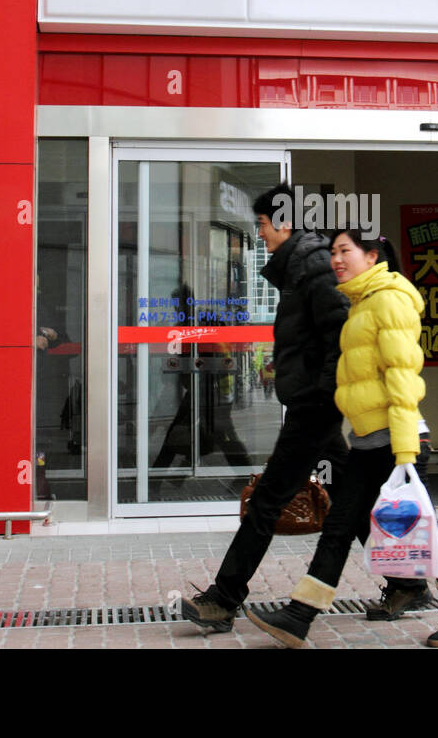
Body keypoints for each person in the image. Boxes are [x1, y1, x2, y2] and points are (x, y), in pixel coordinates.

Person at [246, 230, 438, 649]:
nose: (336, 259)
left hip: (397, 441)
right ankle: (299, 616)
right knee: (338, 527)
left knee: (424, 530)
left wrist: (406, 451)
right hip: (369, 440)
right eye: (333, 252)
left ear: (371, 256)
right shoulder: (361, 303)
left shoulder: (388, 299)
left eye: (345, 252)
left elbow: (402, 375)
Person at [179, 183, 352, 632]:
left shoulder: (312, 265)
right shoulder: (301, 266)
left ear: (284, 222)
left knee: (267, 500)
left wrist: (319, 392)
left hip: (314, 405)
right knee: (356, 495)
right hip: (316, 402)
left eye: (261, 224)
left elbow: (339, 333)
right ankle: (407, 580)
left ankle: (224, 597)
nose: (259, 234)